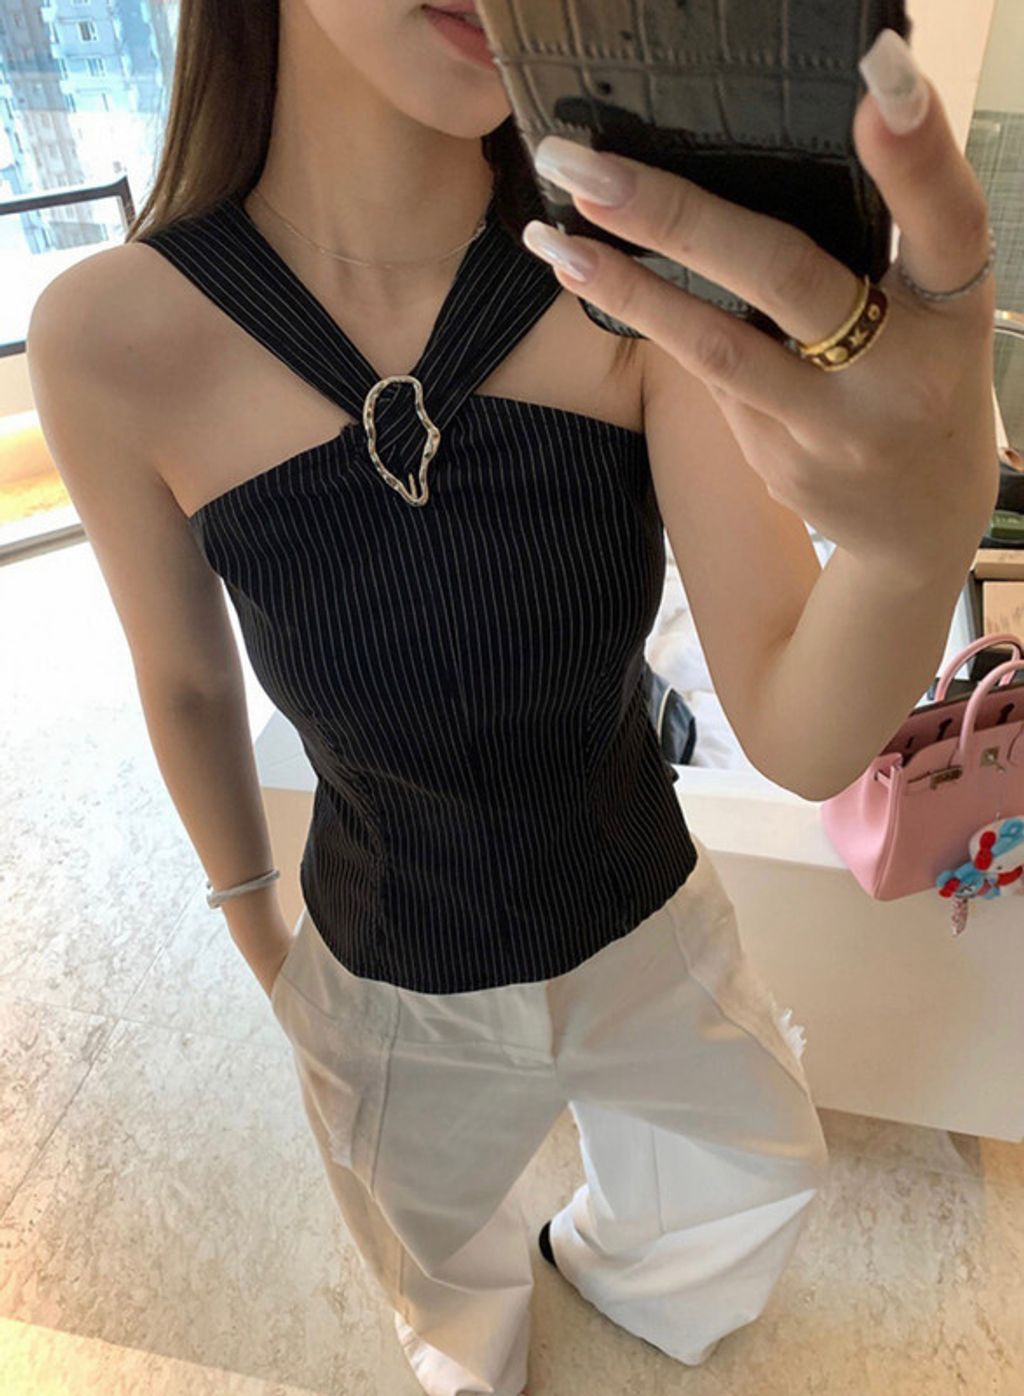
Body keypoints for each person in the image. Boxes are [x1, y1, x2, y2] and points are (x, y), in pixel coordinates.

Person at [25, 4, 998, 1394]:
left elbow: (799, 727)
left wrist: (918, 538)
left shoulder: (629, 282)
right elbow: (182, 678)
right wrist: (253, 928)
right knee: (432, 1253)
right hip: (384, 949)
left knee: (754, 1166)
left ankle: (620, 1275)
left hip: (642, 906)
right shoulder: (112, 334)